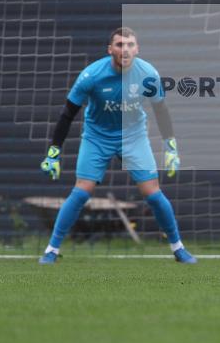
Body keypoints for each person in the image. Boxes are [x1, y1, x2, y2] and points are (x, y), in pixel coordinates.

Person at [38, 27, 196, 264]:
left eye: (130, 44)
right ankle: (51, 250)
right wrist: (53, 153)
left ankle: (178, 248)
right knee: (82, 191)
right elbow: (67, 114)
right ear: (110, 49)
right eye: (120, 44)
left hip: (133, 137)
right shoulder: (91, 76)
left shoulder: (148, 74)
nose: (126, 49)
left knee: (152, 193)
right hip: (96, 137)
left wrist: (170, 146)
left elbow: (161, 110)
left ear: (137, 49)